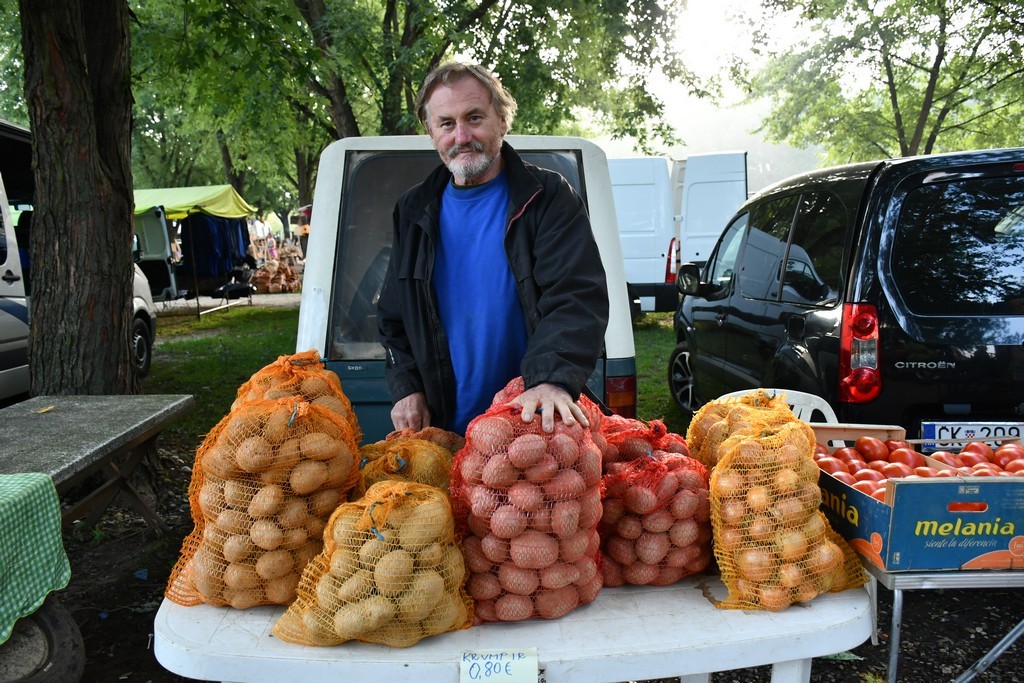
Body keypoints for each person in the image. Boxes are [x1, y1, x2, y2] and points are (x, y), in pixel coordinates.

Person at [376, 61, 609, 436]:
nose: (461, 136)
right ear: (431, 132)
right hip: (444, 432)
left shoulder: (548, 197)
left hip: (532, 427)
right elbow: (393, 317)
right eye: (446, 124)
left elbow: (576, 295)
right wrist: (407, 387)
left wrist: (552, 379)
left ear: (502, 121)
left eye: (474, 118)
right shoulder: (412, 209)